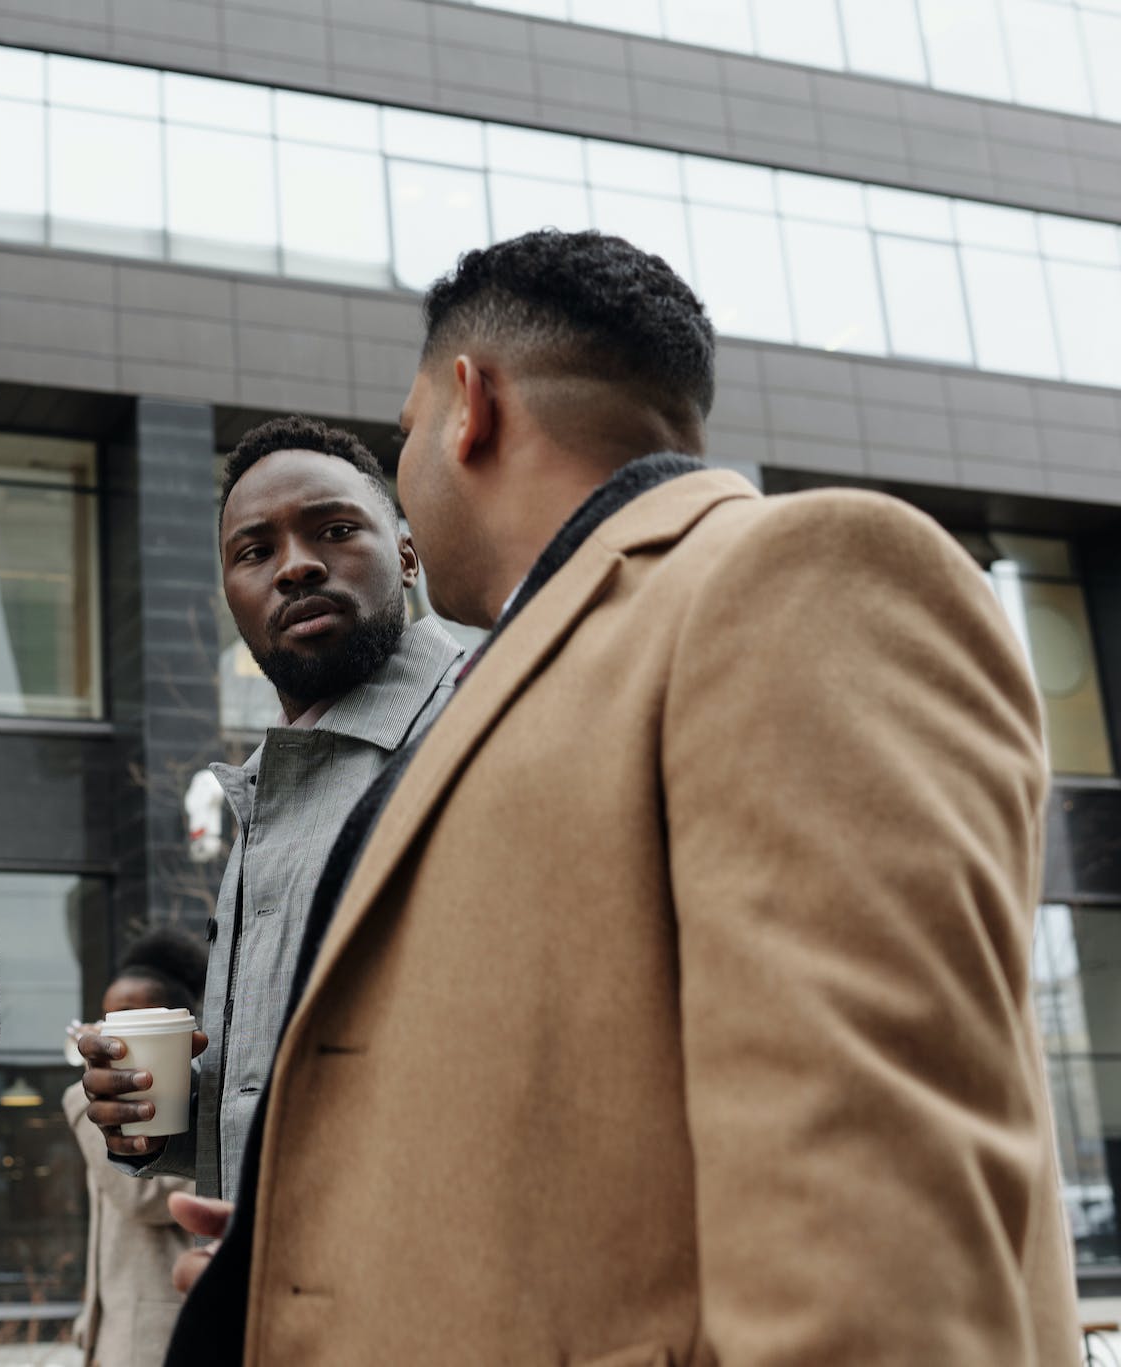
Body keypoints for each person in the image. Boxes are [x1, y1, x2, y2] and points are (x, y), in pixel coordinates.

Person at [164, 229, 1079, 1364]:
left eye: (400, 437)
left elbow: (869, 1212)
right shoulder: (536, 678)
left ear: (467, 406)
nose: (403, 476)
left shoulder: (795, 576)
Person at [76, 417, 465, 1201]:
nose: (295, 567)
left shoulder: (480, 728)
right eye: (255, 552)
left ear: (408, 552)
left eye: (335, 529)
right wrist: (166, 1118)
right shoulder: (269, 786)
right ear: (232, 593)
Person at [63, 927, 209, 1367]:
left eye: (130, 1015)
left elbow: (140, 1196)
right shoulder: (113, 1095)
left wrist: (80, 1098)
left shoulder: (195, 1099)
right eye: (108, 1017)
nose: (113, 1030)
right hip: (111, 1327)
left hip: (158, 1331)